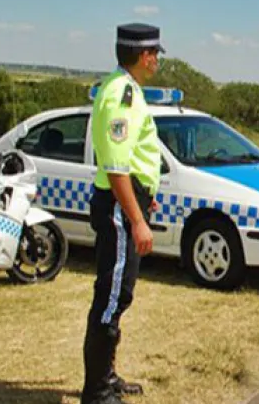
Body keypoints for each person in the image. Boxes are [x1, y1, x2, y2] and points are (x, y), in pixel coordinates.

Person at [81, 23, 164, 404]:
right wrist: (137, 219)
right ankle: (97, 393)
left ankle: (107, 376)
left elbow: (133, 160)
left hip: (125, 202)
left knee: (117, 296)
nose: (158, 60)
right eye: (156, 54)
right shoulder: (123, 95)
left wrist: (145, 197)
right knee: (112, 297)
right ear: (144, 56)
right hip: (117, 209)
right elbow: (116, 166)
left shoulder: (124, 89)